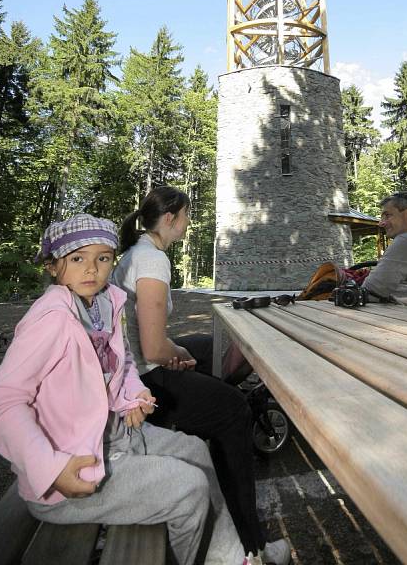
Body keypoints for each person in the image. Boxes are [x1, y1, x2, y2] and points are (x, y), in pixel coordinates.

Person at [0, 214, 246, 565]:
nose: (91, 269)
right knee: (189, 488)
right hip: (70, 472)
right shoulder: (50, 320)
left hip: (116, 437)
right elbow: (4, 401)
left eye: (103, 258)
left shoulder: (106, 303)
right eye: (77, 258)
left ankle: (231, 558)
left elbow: (119, 364)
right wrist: (48, 467)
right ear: (52, 266)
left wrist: (132, 395)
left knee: (198, 451)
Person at [112, 186, 290, 565]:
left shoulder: (135, 253)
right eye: (187, 216)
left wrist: (180, 352)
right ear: (170, 218)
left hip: (139, 363)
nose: (189, 224)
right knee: (234, 410)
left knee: (219, 346)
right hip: (143, 377)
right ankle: (251, 546)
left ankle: (205, 415)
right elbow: (156, 349)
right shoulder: (152, 260)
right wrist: (179, 355)